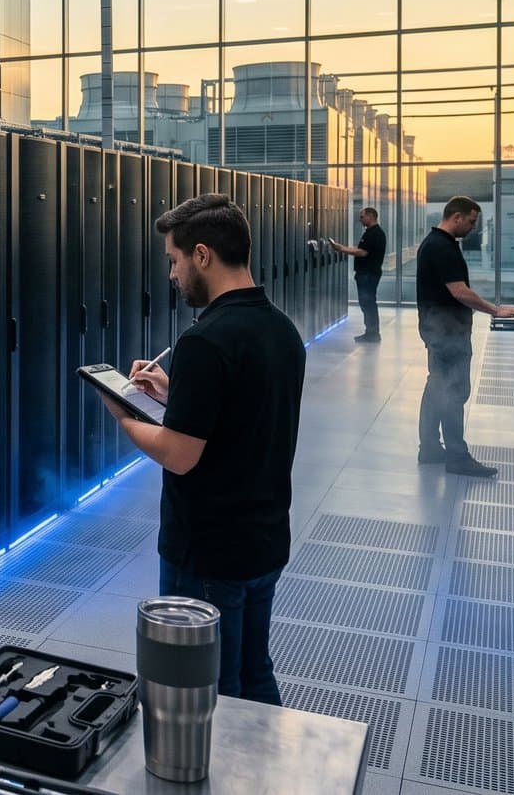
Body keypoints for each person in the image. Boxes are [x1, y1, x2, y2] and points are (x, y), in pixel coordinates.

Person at [97, 193, 305, 706]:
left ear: (203, 255)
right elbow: (242, 413)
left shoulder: (206, 338)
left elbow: (179, 454)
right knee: (255, 676)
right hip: (263, 540)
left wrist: (123, 414)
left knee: (209, 695)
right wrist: (175, 393)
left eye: (174, 260)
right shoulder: (280, 329)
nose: (172, 274)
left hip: (208, 554)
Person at [415, 196, 514, 478]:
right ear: (457, 217)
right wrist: (495, 310)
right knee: (453, 391)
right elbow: (459, 291)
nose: (474, 227)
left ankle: (429, 448)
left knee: (437, 387)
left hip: (439, 328)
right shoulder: (441, 246)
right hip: (446, 332)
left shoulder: (437, 242)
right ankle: (457, 457)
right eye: (472, 221)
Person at [331, 207, 388, 342]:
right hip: (368, 274)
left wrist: (341, 249)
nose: (360, 219)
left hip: (368, 274)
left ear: (370, 216)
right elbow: (361, 249)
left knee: (368, 303)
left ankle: (372, 333)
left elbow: (362, 252)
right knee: (367, 303)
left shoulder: (374, 233)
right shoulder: (372, 232)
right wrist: (343, 248)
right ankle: (371, 332)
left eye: (362, 217)